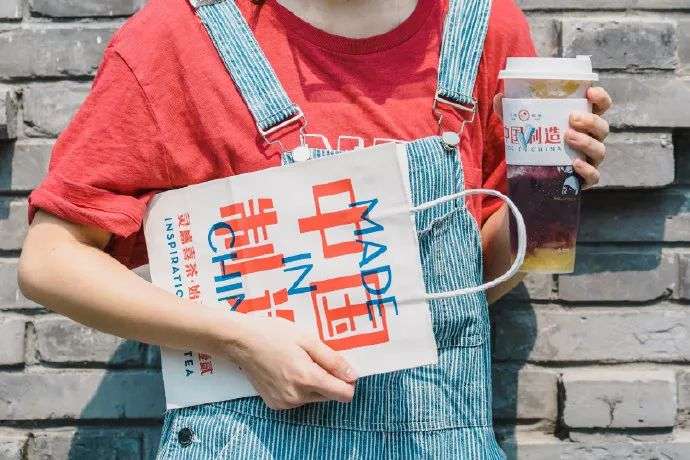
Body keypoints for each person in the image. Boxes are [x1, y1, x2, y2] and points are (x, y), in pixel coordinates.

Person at [18, 0, 612, 458]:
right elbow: (50, 261)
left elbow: (471, 288)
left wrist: (550, 194)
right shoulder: (180, 37)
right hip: (246, 439)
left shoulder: (485, 27)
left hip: (440, 435)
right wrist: (238, 339)